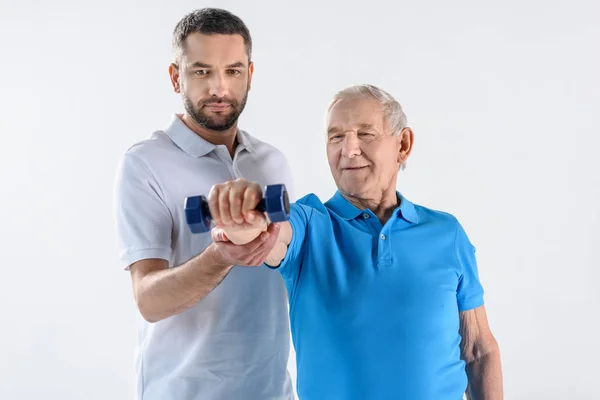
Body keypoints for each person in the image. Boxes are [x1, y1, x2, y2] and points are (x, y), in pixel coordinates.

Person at [207, 84, 504, 400]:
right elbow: (268, 232)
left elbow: (477, 349)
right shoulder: (309, 225)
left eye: (366, 134)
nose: (348, 149)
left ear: (402, 144)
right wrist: (240, 216)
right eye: (336, 136)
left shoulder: (447, 233)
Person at [113, 8, 295, 400]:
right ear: (176, 76)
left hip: (272, 391)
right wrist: (222, 255)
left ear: (250, 73)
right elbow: (148, 299)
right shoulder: (144, 163)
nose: (219, 88)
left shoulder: (272, 162)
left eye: (232, 71)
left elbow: (290, 267)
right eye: (201, 72)